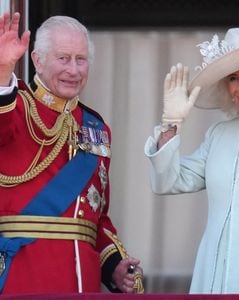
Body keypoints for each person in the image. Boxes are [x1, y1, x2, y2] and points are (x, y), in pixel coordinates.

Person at [144, 27, 239, 294]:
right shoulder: (220, 135)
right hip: (213, 282)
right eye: (233, 78)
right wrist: (171, 124)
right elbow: (169, 181)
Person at [0, 12, 144, 294]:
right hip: (22, 277)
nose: (74, 70)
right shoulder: (15, 109)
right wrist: (3, 72)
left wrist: (114, 264)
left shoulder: (96, 128)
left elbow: (95, 217)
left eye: (81, 59)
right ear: (38, 61)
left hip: (83, 284)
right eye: (63, 58)